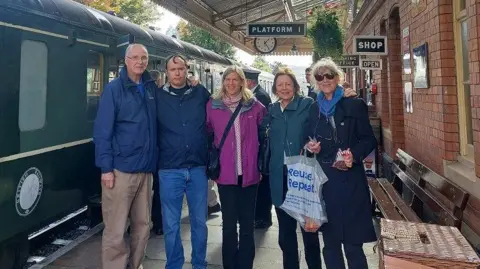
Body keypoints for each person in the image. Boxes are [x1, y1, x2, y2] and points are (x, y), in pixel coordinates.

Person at [260, 67, 357, 269]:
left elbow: (330, 103)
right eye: (280, 85)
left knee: (309, 231)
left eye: (288, 84)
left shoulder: (309, 105)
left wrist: (346, 93)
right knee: (286, 235)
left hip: (304, 178)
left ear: (295, 86)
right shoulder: (271, 110)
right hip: (279, 178)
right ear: (275, 89)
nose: (284, 88)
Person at [305, 57, 377, 269]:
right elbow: (309, 136)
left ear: (337, 78)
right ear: (315, 81)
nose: (325, 79)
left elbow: (369, 139)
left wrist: (353, 155)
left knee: (353, 245)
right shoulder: (313, 108)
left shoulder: (354, 104)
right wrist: (312, 146)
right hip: (325, 181)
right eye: (320, 76)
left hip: (350, 180)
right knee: (330, 243)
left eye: (329, 75)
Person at [93, 43, 157, 269]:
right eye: (135, 57)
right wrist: (106, 168)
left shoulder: (151, 88)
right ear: (126, 60)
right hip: (120, 171)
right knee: (116, 229)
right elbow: (102, 131)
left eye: (144, 58)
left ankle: (135, 265)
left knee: (143, 225)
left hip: (145, 171)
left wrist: (191, 83)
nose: (140, 62)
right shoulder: (114, 89)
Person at [206, 66, 266, 269]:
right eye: (227, 80)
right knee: (229, 226)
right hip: (225, 176)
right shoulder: (213, 106)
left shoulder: (254, 106)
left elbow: (266, 133)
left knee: (247, 226)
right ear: (223, 82)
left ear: (242, 82)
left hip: (249, 175)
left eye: (235, 79)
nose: (231, 83)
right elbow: (207, 135)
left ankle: (245, 265)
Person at [156, 55, 209, 269]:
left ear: (187, 70)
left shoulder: (200, 93)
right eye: (172, 69)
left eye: (180, 68)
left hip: (197, 167)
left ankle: (199, 264)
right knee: (170, 224)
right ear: (166, 72)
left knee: (199, 223)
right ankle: (174, 265)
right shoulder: (157, 96)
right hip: (169, 169)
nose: (177, 73)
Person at [244, 68, 273, 229]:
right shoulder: (259, 93)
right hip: (259, 145)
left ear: (249, 81)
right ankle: (261, 216)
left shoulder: (259, 96)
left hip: (261, 146)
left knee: (262, 185)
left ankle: (263, 217)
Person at [149, 70, 164, 236]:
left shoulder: (147, 98)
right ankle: (159, 223)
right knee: (158, 192)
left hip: (148, 153)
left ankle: (146, 222)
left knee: (146, 193)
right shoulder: (160, 97)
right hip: (160, 153)